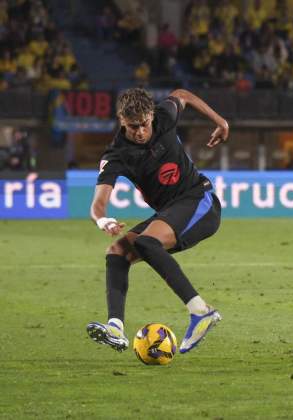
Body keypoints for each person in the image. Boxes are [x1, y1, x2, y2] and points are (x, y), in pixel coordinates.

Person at [86, 87, 229, 354]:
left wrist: (220, 121)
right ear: (121, 121)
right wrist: (102, 220)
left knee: (147, 243)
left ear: (152, 115)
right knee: (117, 252)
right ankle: (115, 328)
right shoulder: (116, 154)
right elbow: (97, 203)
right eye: (132, 127)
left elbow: (183, 94)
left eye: (144, 124)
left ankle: (201, 312)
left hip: (200, 200)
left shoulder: (164, 116)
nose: (139, 131)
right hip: (170, 211)